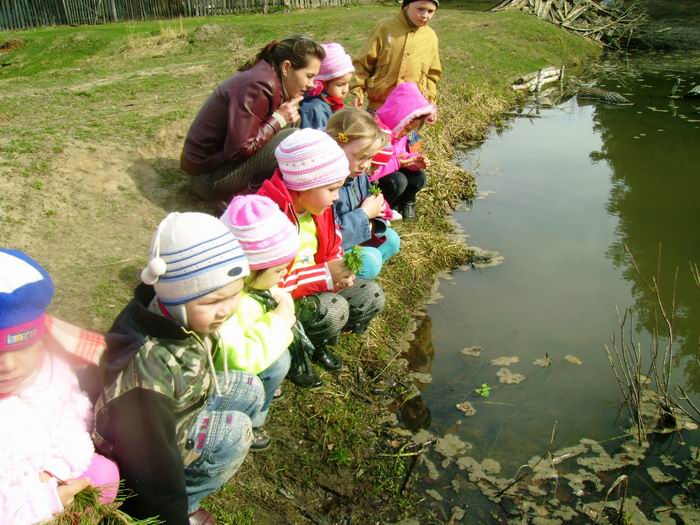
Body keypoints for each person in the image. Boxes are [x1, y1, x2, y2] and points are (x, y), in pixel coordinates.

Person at [93, 212, 265, 524]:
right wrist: (168, 516)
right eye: (213, 301)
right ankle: (186, 504)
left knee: (250, 388)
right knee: (234, 433)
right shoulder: (147, 372)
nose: (226, 310)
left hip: (183, 399)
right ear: (177, 297)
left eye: (234, 294)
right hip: (144, 439)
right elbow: (150, 465)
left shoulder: (175, 315)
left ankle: (217, 444)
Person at [0, 249, 119, 525]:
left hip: (54, 472)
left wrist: (57, 470)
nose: (7, 364)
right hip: (20, 507)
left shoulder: (51, 371)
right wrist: (45, 501)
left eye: (23, 346)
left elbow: (74, 416)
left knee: (104, 475)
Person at [257, 128, 385, 372]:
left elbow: (333, 244)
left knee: (371, 295)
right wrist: (326, 275)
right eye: (331, 189)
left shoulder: (319, 207)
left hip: (316, 285)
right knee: (333, 308)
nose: (337, 197)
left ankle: (320, 339)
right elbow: (268, 285)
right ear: (305, 184)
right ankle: (295, 349)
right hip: (281, 301)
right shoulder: (271, 216)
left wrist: (340, 268)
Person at [217, 194, 321, 450]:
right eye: (278, 270)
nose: (284, 274)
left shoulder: (247, 288)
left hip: (231, 367)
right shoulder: (223, 305)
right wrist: (277, 320)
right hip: (219, 379)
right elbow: (237, 358)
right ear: (249, 269)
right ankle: (247, 422)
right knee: (278, 362)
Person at [181, 36, 326, 203]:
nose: (313, 84)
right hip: (206, 179)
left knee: (292, 120)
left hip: (215, 167)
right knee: (291, 136)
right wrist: (278, 118)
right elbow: (239, 149)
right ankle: (252, 198)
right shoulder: (258, 86)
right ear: (286, 67)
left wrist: (281, 118)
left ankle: (270, 189)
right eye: (309, 76)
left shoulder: (270, 77)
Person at [327, 108, 400, 280]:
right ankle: (344, 283)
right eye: (361, 157)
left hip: (358, 234)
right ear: (337, 144)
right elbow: (330, 235)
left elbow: (373, 204)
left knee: (392, 240)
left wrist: (375, 219)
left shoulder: (358, 176)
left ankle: (355, 278)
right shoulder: (328, 185)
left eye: (370, 158)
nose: (366, 166)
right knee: (370, 261)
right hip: (337, 248)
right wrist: (365, 214)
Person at [350, 0, 441, 111]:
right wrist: (357, 90)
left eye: (430, 11)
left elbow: (432, 75)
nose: (424, 15)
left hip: (411, 109)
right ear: (407, 6)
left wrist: (430, 101)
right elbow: (363, 62)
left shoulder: (430, 37)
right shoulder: (384, 28)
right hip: (379, 107)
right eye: (420, 9)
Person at [369, 82, 436, 220]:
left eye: (409, 131)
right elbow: (370, 171)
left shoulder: (399, 134)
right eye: (405, 129)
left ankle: (395, 205)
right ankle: (377, 213)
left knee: (419, 177)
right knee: (398, 181)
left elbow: (401, 156)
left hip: (389, 171)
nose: (405, 133)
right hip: (371, 183)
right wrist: (397, 163)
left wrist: (414, 162)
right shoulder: (376, 132)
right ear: (397, 118)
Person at [299, 43, 355, 130]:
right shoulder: (317, 110)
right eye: (340, 85)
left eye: (348, 83)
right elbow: (318, 141)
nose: (346, 90)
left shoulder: (332, 102)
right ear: (322, 84)